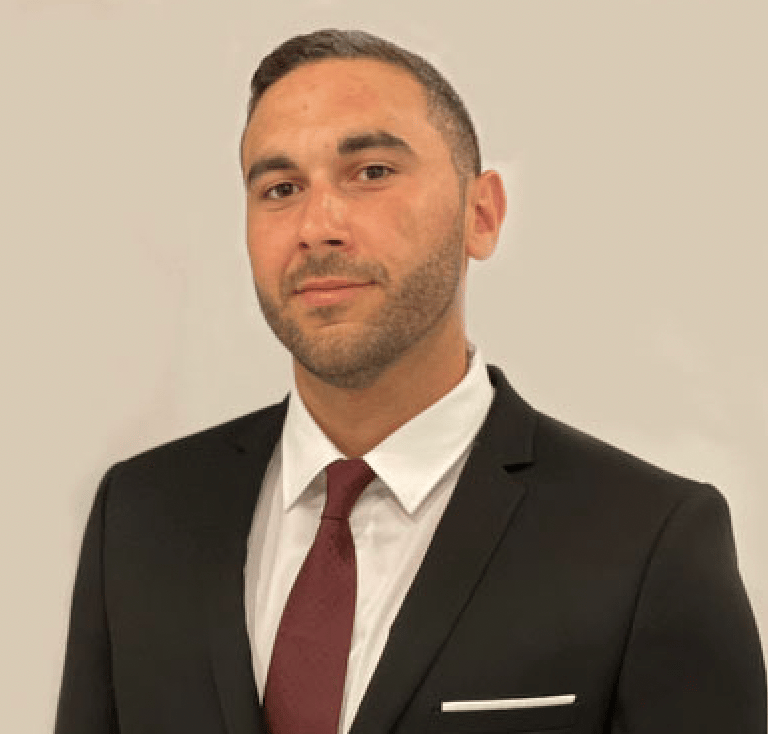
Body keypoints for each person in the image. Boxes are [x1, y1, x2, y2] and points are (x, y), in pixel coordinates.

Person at [55, 29, 766, 734]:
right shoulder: (142, 515)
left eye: (371, 172)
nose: (317, 225)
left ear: (480, 215)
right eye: (281, 188)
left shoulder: (647, 538)